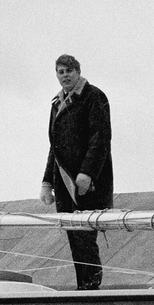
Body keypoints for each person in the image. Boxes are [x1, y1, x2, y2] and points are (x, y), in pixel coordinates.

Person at [39, 53, 113, 291]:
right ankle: (83, 286)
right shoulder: (57, 104)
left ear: (78, 72)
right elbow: (55, 147)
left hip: (87, 183)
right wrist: (47, 182)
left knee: (85, 235)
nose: (65, 76)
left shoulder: (93, 96)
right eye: (60, 72)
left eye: (69, 71)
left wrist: (88, 172)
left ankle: (91, 287)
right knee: (73, 236)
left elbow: (100, 138)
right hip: (64, 181)